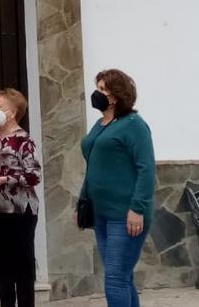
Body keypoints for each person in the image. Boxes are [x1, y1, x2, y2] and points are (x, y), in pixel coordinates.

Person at [79, 69, 156, 307]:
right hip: (101, 214)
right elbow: (93, 165)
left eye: (102, 89)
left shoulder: (134, 125)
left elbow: (146, 170)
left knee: (115, 279)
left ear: (115, 96)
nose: (97, 93)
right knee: (122, 277)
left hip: (125, 215)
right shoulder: (101, 124)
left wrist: (137, 208)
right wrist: (82, 201)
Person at [0, 87, 42, 307]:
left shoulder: (24, 140)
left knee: (22, 266)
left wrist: (9, 180)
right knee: (2, 268)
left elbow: (34, 175)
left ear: (13, 112)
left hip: (19, 211)